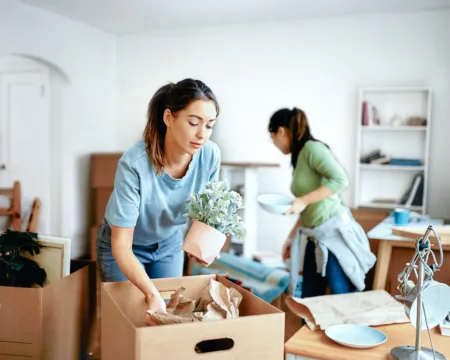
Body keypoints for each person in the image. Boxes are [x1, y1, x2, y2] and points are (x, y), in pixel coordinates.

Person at [96, 78, 221, 313]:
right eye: (194, 122)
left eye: (209, 125)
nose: (202, 134)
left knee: (166, 316)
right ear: (168, 118)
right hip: (124, 247)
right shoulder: (134, 163)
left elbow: (206, 210)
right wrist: (151, 293)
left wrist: (206, 243)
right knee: (129, 319)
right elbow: (121, 245)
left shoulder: (210, 155)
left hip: (168, 243)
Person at [268, 107, 376, 298]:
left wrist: (302, 199)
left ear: (281, 131)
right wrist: (292, 236)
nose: (273, 143)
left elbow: (340, 180)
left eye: (272, 137)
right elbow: (307, 207)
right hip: (314, 238)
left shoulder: (312, 148)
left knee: (340, 298)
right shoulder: (300, 157)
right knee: (310, 302)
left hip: (334, 237)